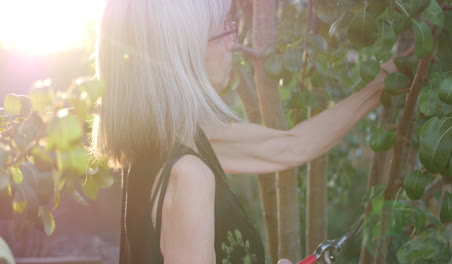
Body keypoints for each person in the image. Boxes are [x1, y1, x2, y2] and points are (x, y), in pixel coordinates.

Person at [91, 0, 398, 263]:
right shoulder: (189, 175)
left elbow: (292, 146)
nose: (233, 42)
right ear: (185, 52)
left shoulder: (164, 147)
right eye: (224, 30)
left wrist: (383, 82)